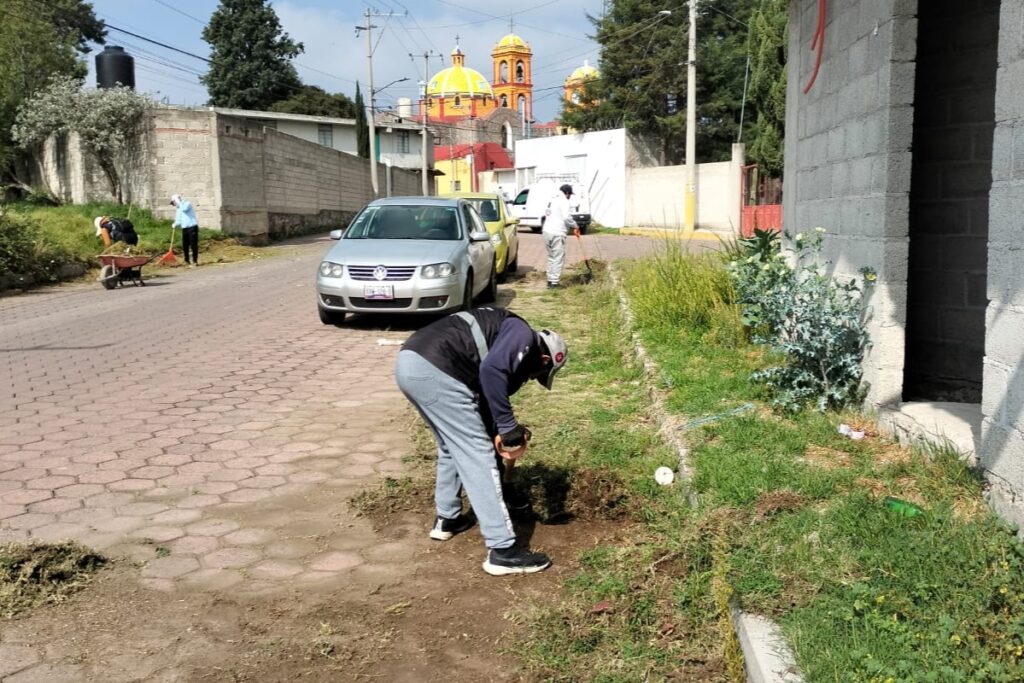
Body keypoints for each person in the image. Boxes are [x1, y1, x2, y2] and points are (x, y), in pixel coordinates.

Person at [394, 307, 568, 576]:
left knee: (452, 446)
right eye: (536, 375)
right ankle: (503, 550)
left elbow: (486, 401)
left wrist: (500, 432)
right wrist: (508, 426)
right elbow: (492, 372)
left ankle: (448, 519)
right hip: (437, 368)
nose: (529, 379)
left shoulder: (501, 335)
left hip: (410, 363)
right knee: (477, 455)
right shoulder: (522, 334)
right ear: (544, 359)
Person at [542, 183, 579, 288]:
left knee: (551, 257)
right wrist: (575, 226)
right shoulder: (564, 201)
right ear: (567, 193)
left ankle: (550, 280)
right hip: (557, 232)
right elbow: (566, 217)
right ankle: (554, 283)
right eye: (570, 194)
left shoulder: (552, 200)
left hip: (546, 231)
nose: (570, 197)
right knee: (558, 257)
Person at [170, 194, 199, 267]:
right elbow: (178, 220)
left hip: (192, 227)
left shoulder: (187, 203)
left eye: (174, 202)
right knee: (185, 245)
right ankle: (186, 261)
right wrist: (175, 224)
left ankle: (195, 261)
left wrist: (179, 202)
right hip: (185, 228)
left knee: (193, 244)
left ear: (177, 200)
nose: (174, 204)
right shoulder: (178, 208)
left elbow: (184, 209)